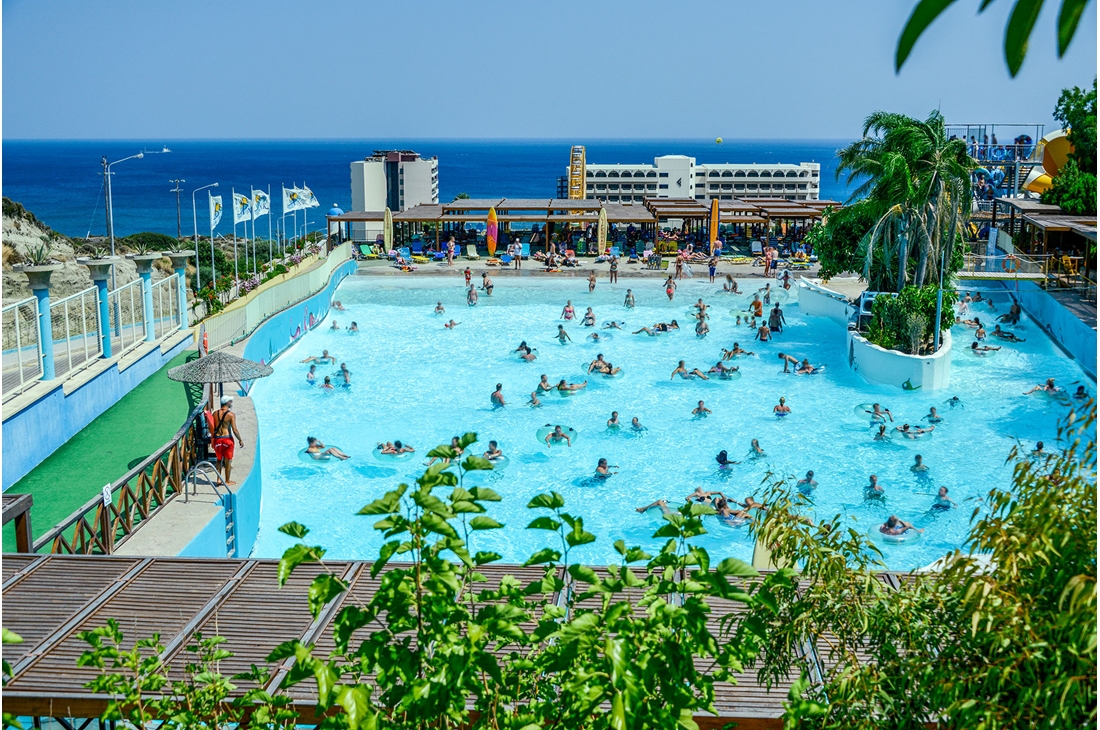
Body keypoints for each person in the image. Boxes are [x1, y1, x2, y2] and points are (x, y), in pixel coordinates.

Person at [210, 396, 244, 485]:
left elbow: (212, 427)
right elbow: (235, 429)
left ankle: (218, 479)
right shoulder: (231, 415)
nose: (231, 403)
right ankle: (227, 481)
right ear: (227, 403)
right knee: (228, 461)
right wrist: (240, 439)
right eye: (230, 401)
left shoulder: (214, 413)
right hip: (227, 439)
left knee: (218, 460)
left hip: (217, 440)